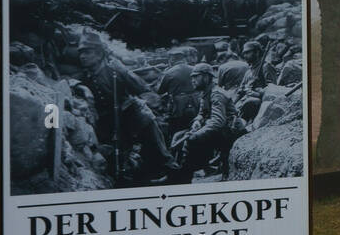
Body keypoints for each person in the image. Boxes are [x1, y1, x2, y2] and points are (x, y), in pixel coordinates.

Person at [75, 31, 178, 183]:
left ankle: (178, 178)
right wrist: (81, 88)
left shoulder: (114, 70)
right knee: (119, 157)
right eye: (81, 53)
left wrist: (124, 71)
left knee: (159, 151)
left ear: (99, 54)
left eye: (87, 52)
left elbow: (140, 87)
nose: (82, 56)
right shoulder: (87, 75)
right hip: (114, 121)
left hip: (136, 115)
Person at [171, 63, 246, 183]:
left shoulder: (216, 94)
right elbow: (202, 113)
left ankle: (183, 178)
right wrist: (197, 121)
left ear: (206, 77)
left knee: (192, 141)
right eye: (192, 77)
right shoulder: (205, 93)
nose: (193, 80)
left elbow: (218, 121)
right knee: (179, 136)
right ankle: (178, 172)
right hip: (221, 130)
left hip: (231, 132)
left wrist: (197, 134)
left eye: (196, 76)